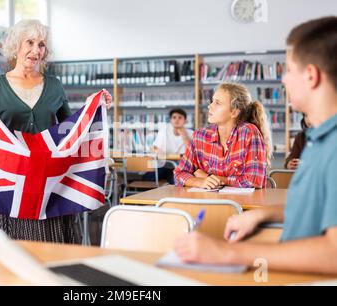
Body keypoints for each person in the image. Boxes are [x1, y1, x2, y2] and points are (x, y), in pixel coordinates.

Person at [174, 17, 337, 275]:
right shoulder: (320, 139)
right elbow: (316, 207)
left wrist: (223, 252)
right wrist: (265, 214)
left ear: (311, 76)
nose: (283, 81)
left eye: (290, 71)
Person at [0, 20, 112, 243]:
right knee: (19, 246)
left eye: (41, 45)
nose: (35, 50)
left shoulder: (54, 84)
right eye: (29, 42)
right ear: (16, 46)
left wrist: (95, 109)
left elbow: (69, 129)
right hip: (15, 181)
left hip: (52, 179)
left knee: (54, 242)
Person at [174, 83, 272, 190]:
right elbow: (179, 174)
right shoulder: (199, 136)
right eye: (212, 101)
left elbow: (253, 181)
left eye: (217, 103)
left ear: (234, 112)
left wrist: (211, 178)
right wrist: (199, 182)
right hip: (208, 203)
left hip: (243, 205)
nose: (210, 106)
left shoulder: (249, 133)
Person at [143, 109, 193, 185]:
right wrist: (158, 151)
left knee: (176, 181)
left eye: (180, 117)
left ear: (185, 120)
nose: (177, 120)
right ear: (170, 120)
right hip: (165, 164)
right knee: (147, 178)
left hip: (181, 167)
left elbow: (191, 151)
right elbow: (154, 147)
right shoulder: (164, 131)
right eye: (174, 117)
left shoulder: (191, 133)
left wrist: (183, 134)